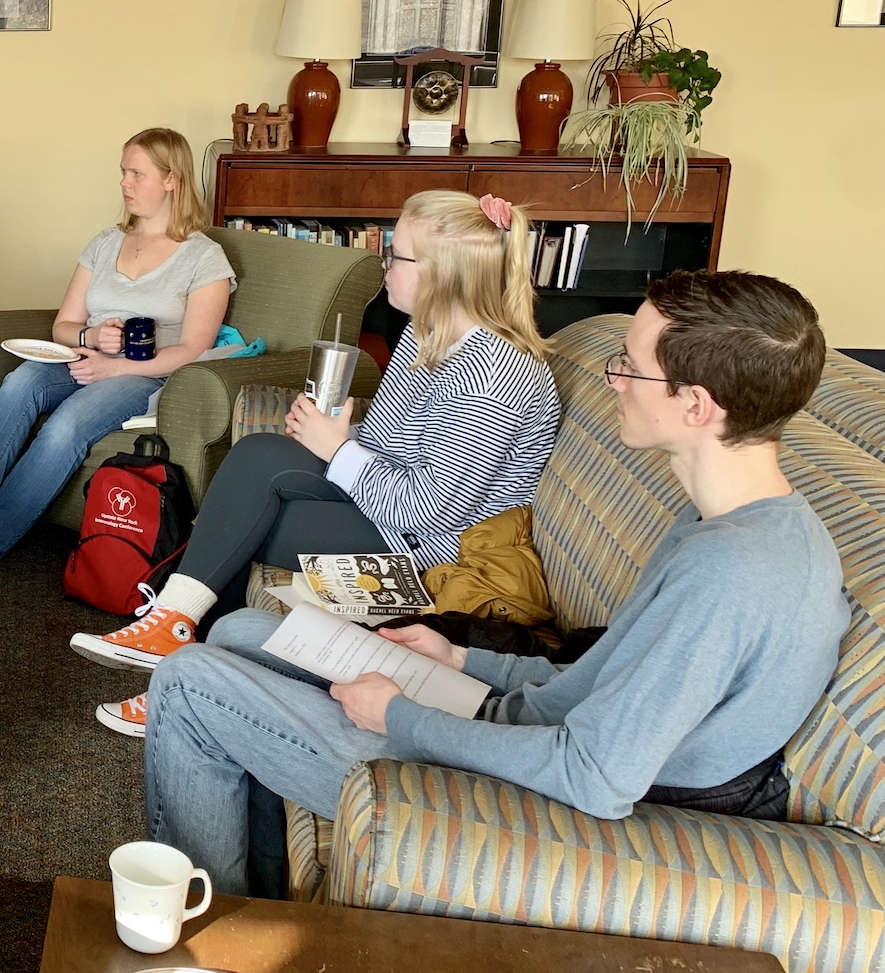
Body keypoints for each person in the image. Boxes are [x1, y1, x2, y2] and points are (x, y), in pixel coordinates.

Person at [142, 268, 846, 897]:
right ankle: (256, 900)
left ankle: (198, 931)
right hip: (528, 734)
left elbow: (593, 777)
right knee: (238, 630)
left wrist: (400, 717)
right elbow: (606, 678)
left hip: (532, 804)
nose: (614, 381)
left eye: (628, 368)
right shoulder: (746, 524)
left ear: (696, 405)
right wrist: (462, 659)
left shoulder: (730, 576)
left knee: (189, 680)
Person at [79, 191, 560, 736]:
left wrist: (335, 447)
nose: (385, 265)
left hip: (431, 552)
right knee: (259, 455)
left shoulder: (491, 370)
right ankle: (177, 634)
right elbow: (388, 443)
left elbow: (429, 512)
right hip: (386, 513)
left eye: (396, 255)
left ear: (443, 274)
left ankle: (180, 666)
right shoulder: (428, 336)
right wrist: (334, 435)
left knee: (249, 526)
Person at [0, 127, 234, 574]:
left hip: (147, 374)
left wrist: (113, 370)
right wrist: (92, 339)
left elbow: (194, 349)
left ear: (172, 179)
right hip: (86, 359)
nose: (124, 183)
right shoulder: (104, 242)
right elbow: (64, 325)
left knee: (68, 424)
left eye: (137, 173)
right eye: (123, 172)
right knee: (20, 381)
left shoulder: (204, 257)